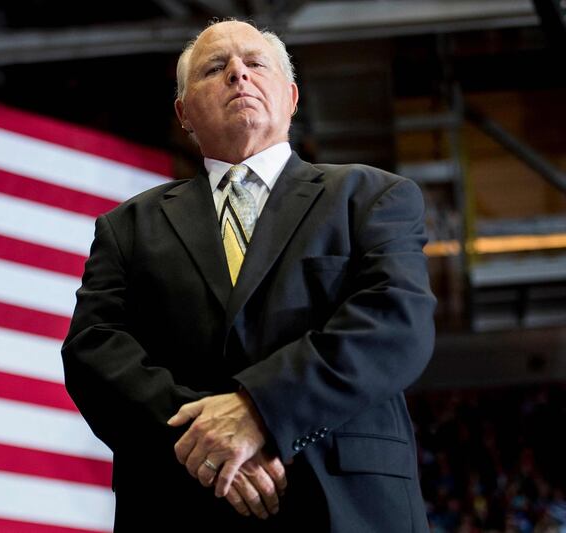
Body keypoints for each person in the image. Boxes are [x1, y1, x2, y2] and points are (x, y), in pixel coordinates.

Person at [62, 19, 436, 532]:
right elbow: (94, 354)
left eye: (255, 64)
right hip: (181, 502)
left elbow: (396, 324)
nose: (238, 74)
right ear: (183, 113)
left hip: (347, 504)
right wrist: (206, 442)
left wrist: (261, 410)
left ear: (291, 95)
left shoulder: (373, 197)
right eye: (215, 68)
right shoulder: (127, 227)